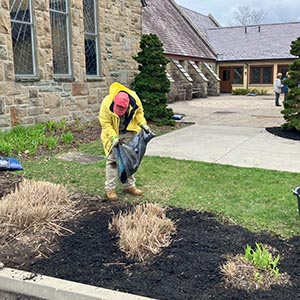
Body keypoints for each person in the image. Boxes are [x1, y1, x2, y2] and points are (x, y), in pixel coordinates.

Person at [98, 82, 151, 201]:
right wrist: (113, 138)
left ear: (127, 106)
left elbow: (139, 114)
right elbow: (105, 124)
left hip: (128, 131)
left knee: (129, 160)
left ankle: (129, 186)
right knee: (112, 161)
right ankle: (110, 189)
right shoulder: (106, 104)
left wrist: (143, 124)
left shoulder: (135, 100)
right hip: (113, 132)